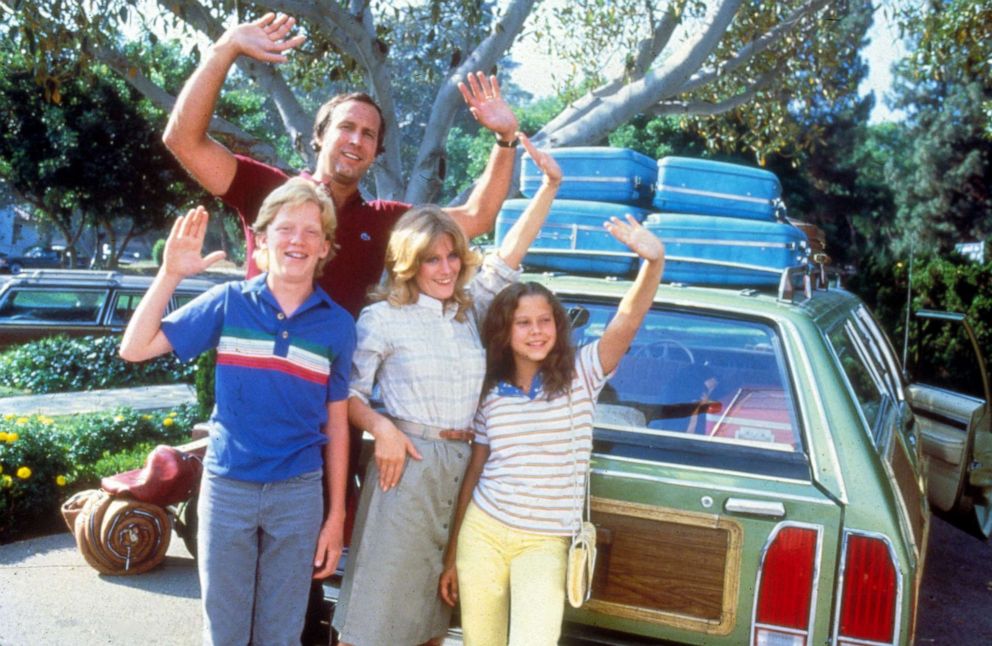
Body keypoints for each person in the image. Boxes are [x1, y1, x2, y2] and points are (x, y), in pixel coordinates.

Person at [332, 134, 561, 646]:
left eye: (452, 257)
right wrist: (381, 428)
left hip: (465, 473)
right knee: (377, 619)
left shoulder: (470, 308)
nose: (446, 268)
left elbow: (509, 255)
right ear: (409, 261)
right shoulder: (382, 318)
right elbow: (345, 394)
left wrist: (550, 186)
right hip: (406, 467)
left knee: (433, 620)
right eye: (432, 259)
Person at [119, 178, 354, 645]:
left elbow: (338, 422)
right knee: (224, 633)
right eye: (286, 228)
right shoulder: (229, 303)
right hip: (228, 488)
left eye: (312, 231)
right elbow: (135, 347)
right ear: (262, 240)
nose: (298, 240)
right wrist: (170, 275)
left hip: (298, 495)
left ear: (326, 246)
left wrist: (335, 517)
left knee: (281, 634)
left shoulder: (338, 325)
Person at [163, 12, 520, 317]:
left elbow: (477, 216)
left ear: (376, 152)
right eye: (345, 127)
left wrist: (505, 139)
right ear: (319, 136)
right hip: (256, 374)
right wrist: (224, 48)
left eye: (368, 134)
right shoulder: (268, 190)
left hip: (329, 389)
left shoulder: (384, 221)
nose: (355, 140)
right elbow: (183, 140)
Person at [438, 217, 666, 646]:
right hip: (482, 532)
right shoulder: (490, 391)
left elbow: (628, 319)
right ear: (504, 333)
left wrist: (653, 263)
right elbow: (475, 472)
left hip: (544, 542)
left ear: (558, 327)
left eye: (545, 321)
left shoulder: (583, 373)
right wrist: (452, 554)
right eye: (523, 323)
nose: (536, 331)